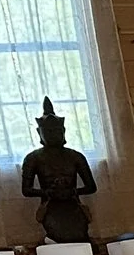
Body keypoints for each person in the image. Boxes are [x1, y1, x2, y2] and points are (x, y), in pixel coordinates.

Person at [20, 98, 96, 244]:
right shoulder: (33, 158)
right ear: (39, 132)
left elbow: (91, 187)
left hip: (73, 203)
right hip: (50, 205)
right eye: (48, 131)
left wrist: (72, 191)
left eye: (57, 131)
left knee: (79, 236)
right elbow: (26, 190)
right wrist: (48, 192)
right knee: (60, 237)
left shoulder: (75, 156)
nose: (53, 134)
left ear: (63, 131)